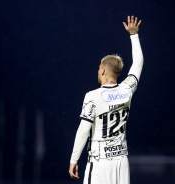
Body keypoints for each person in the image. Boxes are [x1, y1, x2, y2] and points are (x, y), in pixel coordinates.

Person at [69, 15, 143, 184]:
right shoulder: (127, 89)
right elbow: (138, 63)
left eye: (98, 69)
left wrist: (74, 160)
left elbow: (83, 130)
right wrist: (134, 35)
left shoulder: (92, 97)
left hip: (100, 162)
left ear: (103, 71)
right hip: (121, 161)